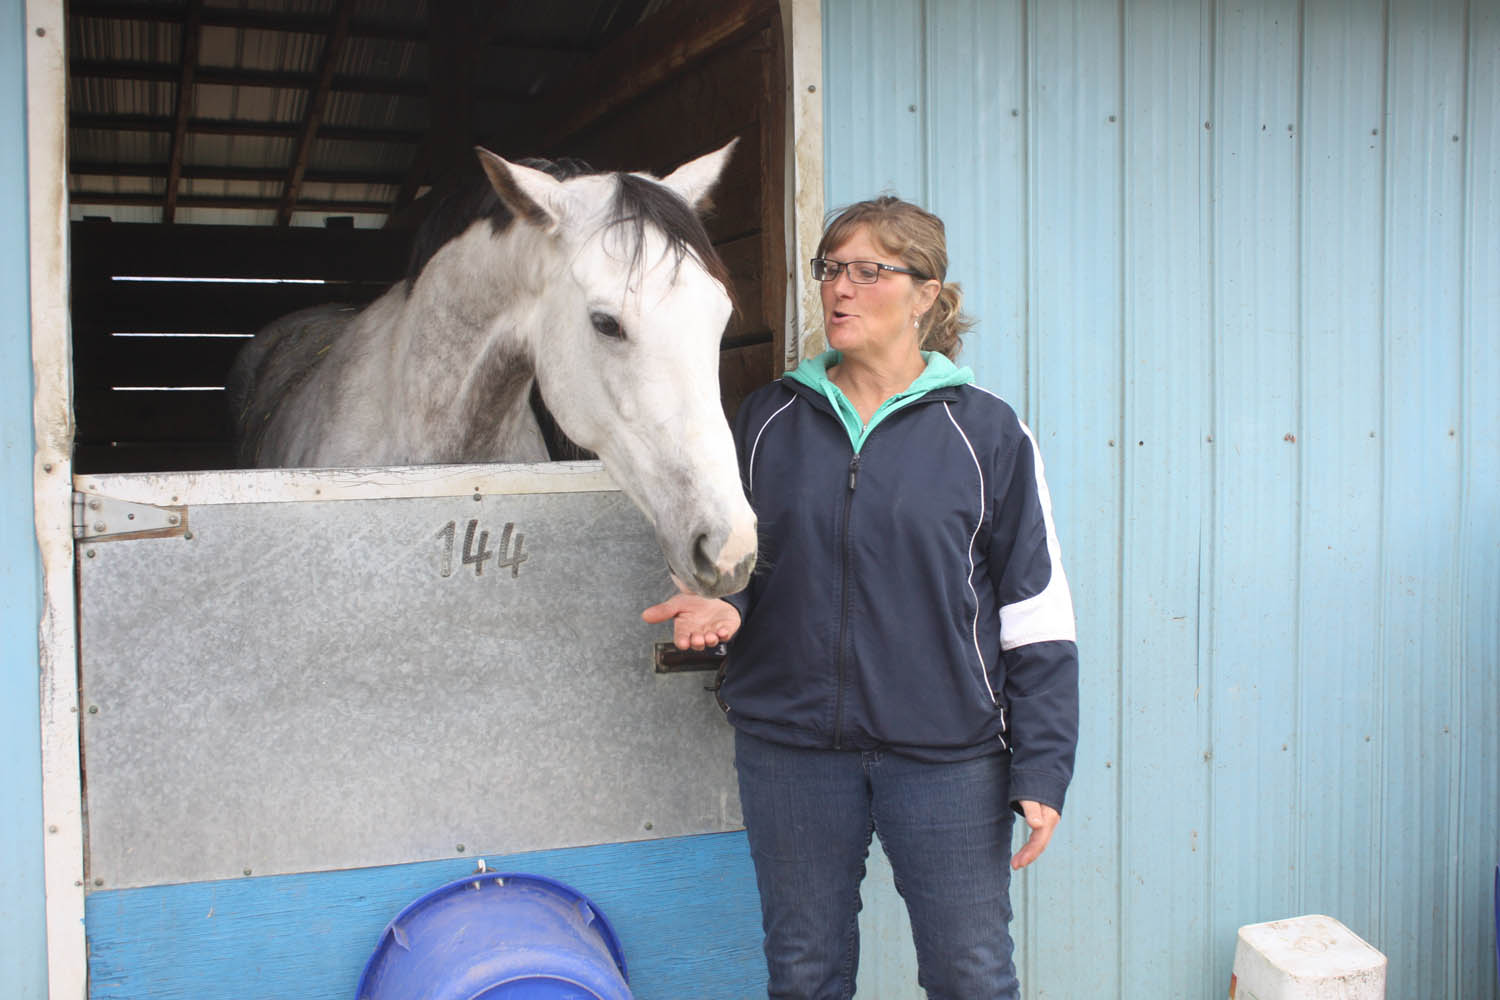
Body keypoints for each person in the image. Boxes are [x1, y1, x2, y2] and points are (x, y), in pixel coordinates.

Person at [643, 196, 1079, 1000]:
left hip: (949, 755)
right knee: (804, 972)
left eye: (869, 271)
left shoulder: (987, 434)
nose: (840, 288)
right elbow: (751, 564)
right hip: (792, 748)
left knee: (971, 975)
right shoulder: (768, 418)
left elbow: (1037, 613)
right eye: (830, 269)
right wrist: (729, 606)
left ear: (925, 294)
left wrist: (1044, 766)